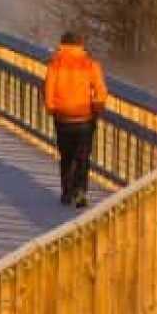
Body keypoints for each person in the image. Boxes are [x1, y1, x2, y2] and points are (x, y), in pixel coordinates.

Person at [44, 31, 108, 208]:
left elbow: (48, 89)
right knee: (82, 156)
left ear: (62, 44)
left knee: (66, 156)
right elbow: (101, 91)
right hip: (84, 118)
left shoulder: (55, 64)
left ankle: (67, 191)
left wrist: (52, 109)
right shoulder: (90, 64)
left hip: (63, 117)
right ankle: (80, 191)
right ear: (81, 44)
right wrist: (96, 108)